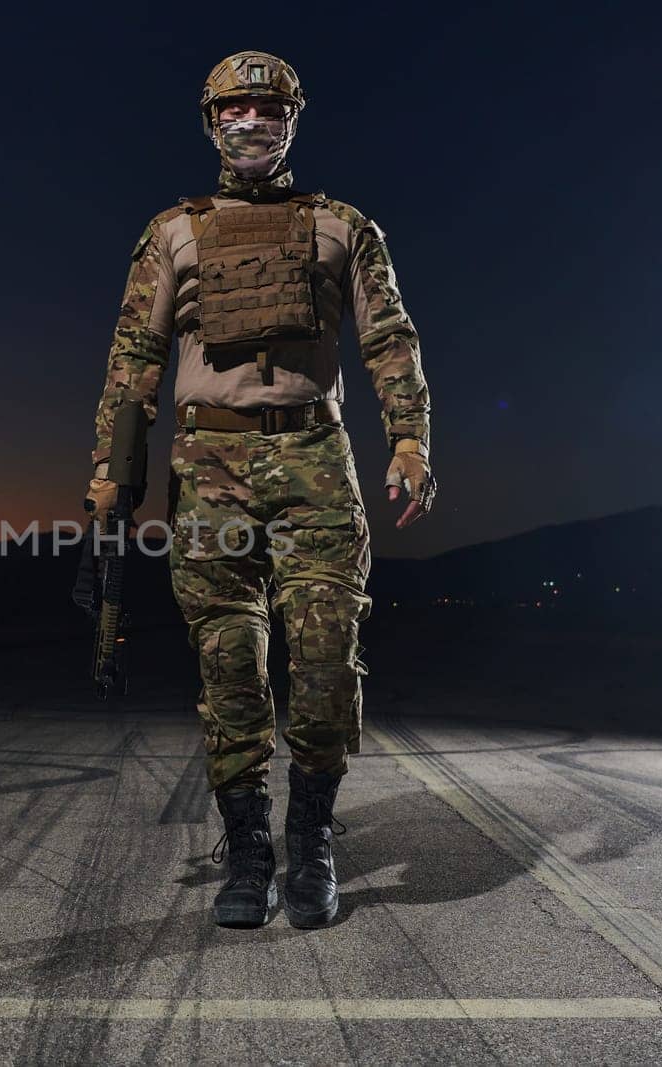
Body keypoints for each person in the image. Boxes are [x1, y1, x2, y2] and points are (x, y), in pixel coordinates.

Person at [83, 51, 435, 929]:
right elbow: (136, 358)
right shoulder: (172, 232)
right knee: (229, 667)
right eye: (233, 110)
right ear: (212, 123)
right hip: (210, 470)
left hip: (315, 460)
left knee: (322, 661)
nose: (249, 124)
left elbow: (389, 336)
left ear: (291, 121)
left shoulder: (344, 226)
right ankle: (249, 850)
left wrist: (410, 439)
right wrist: (110, 472)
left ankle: (310, 838)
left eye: (265, 109)